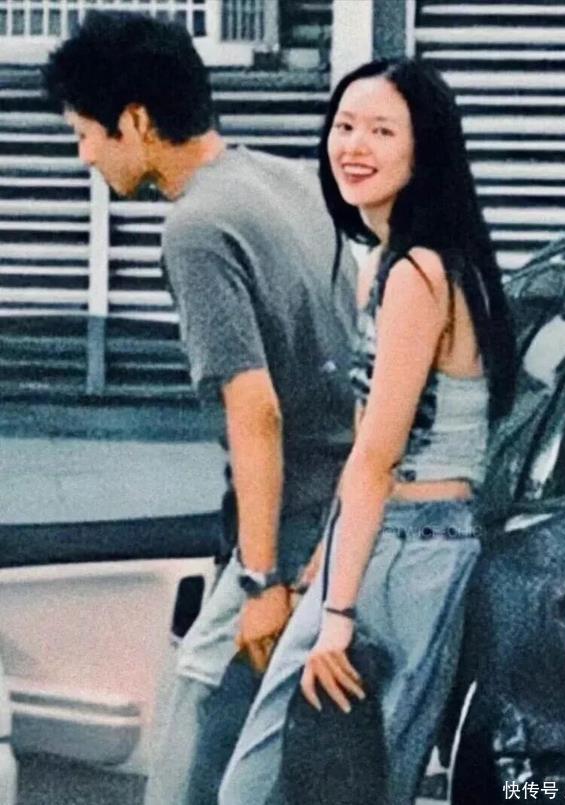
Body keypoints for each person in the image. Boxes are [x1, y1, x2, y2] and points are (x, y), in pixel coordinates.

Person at [43, 12, 356, 805]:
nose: (84, 156)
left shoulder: (197, 227)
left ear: (136, 122)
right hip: (340, 520)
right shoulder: (292, 180)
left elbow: (256, 409)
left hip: (289, 529)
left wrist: (259, 580)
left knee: (191, 762)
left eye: (86, 135)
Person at [219, 57, 517, 805]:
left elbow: (377, 459)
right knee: (349, 785)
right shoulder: (397, 264)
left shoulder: (419, 274)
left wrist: (336, 617)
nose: (354, 146)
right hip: (398, 550)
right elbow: (366, 445)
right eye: (345, 126)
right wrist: (326, 559)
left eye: (382, 131)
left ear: (424, 151)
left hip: (405, 553)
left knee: (270, 788)